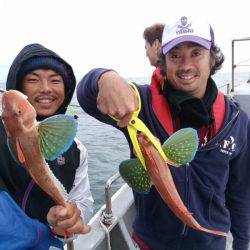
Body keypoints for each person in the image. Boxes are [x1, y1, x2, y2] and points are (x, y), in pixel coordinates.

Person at [77, 16, 250, 250]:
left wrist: (241, 242)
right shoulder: (140, 105)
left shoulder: (236, 121)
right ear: (164, 63)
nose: (186, 64)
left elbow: (240, 191)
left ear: (212, 58)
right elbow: (87, 98)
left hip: (211, 243)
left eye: (196, 53)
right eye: (175, 55)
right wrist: (103, 77)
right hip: (152, 243)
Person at [0, 43, 93, 244]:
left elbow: (83, 203)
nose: (45, 89)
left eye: (55, 80)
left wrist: (67, 222)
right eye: (33, 80)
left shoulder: (76, 150)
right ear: (19, 86)